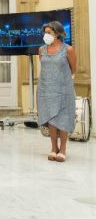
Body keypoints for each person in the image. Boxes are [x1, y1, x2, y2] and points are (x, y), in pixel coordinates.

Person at [37, 21, 76, 163]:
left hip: (63, 89)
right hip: (46, 88)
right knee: (51, 119)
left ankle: (63, 149)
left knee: (63, 119)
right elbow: (45, 68)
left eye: (49, 32)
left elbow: (73, 69)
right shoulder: (41, 50)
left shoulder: (68, 49)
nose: (46, 35)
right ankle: (53, 148)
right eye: (45, 32)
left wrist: (60, 80)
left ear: (57, 34)